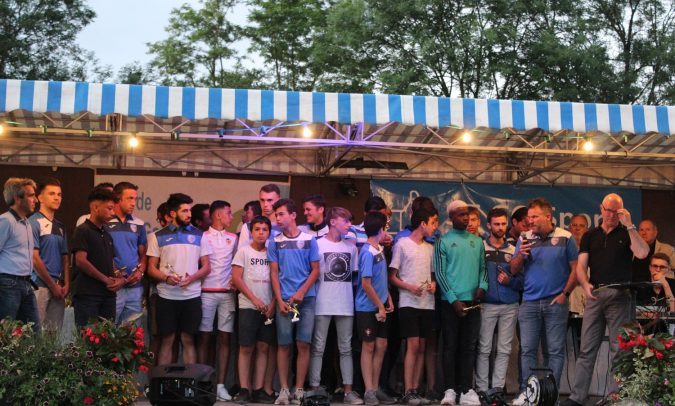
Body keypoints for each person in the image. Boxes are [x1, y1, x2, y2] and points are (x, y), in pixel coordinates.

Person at [561, 194, 649, 406]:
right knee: (587, 348)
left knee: (619, 349)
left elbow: (643, 253)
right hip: (596, 293)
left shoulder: (627, 233)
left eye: (616, 212)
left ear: (622, 212)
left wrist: (630, 225)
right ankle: (577, 397)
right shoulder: (590, 235)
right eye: (608, 210)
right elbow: (581, 266)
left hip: (620, 294)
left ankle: (614, 397)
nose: (611, 215)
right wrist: (585, 284)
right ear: (601, 208)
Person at [510, 198, 578, 405]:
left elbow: (576, 270)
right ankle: (527, 393)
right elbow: (513, 269)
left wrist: (565, 294)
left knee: (554, 351)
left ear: (548, 216)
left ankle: (550, 396)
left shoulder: (566, 237)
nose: (529, 220)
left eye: (534, 216)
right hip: (529, 303)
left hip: (555, 303)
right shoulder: (524, 238)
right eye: (528, 217)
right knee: (527, 350)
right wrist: (521, 255)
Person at [146, 193, 212, 365]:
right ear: (173, 213)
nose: (189, 214)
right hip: (166, 296)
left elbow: (207, 266)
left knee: (188, 339)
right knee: (167, 339)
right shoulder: (156, 236)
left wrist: (192, 278)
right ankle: (163, 381)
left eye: (189, 210)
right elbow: (151, 268)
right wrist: (166, 278)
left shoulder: (200, 235)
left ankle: (190, 381)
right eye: (184, 211)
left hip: (192, 296)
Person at [268, 198, 321, 405]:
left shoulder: (309, 240)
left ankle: (299, 389)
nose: (278, 218)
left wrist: (302, 292)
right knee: (283, 345)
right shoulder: (275, 242)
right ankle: (283, 389)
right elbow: (274, 273)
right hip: (284, 300)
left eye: (281, 214)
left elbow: (316, 270)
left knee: (303, 344)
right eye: (276, 215)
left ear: (293, 215)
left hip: (306, 300)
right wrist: (279, 300)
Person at [434, 200, 487, 406]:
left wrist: (483, 286)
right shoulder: (443, 242)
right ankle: (449, 390)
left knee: (469, 347)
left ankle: (466, 389)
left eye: (467, 214)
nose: (465, 218)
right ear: (451, 218)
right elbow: (440, 273)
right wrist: (453, 299)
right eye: (461, 214)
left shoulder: (477, 242)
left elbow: (483, 269)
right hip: (451, 303)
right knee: (450, 347)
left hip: (473, 302)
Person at [309, 207, 363, 404]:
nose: (349, 224)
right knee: (318, 347)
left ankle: (348, 391)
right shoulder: (317, 244)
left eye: (350, 221)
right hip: (322, 302)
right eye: (346, 220)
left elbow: (354, 277)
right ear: (333, 222)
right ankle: (314, 389)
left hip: (345, 303)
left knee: (346, 348)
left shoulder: (351, 248)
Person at [389, 208, 439, 405]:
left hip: (427, 303)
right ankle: (408, 390)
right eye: (433, 223)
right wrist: (409, 287)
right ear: (423, 223)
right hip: (408, 302)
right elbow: (392, 277)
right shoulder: (402, 244)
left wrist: (433, 285)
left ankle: (416, 390)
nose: (435, 227)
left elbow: (432, 276)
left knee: (422, 345)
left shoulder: (430, 248)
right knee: (413, 344)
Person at [475, 208, 522, 395]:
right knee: (484, 348)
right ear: (488, 225)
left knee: (504, 349)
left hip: (510, 304)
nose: (500, 227)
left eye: (503, 224)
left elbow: (523, 281)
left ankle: (496, 389)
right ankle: (481, 388)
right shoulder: (480, 247)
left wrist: (510, 281)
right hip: (486, 303)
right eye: (496, 224)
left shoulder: (514, 249)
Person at [232, 215, 276, 404]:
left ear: (269, 233)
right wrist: (254, 299)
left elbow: (277, 280)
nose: (261, 233)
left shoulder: (272, 253)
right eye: (257, 229)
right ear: (251, 232)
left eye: (265, 230)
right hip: (248, 305)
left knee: (263, 347)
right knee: (246, 347)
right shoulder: (243, 252)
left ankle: (259, 389)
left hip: (268, 308)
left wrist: (273, 303)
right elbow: (236, 278)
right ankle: (244, 389)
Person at [199, 200, 238, 401]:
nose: (231, 216)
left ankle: (221, 386)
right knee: (204, 338)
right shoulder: (202, 237)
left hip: (227, 294)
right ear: (218, 215)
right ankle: (202, 384)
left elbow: (238, 265)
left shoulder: (234, 238)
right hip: (206, 293)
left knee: (225, 339)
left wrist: (235, 281)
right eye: (228, 213)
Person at [355, 212, 394, 406]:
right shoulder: (367, 252)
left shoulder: (379, 249)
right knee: (368, 346)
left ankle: (376, 387)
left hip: (381, 306)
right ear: (380, 229)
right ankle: (369, 390)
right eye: (385, 227)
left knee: (381, 346)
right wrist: (379, 305)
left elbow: (381, 278)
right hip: (367, 308)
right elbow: (366, 284)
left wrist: (388, 298)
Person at [71, 187, 125, 327]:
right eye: (109, 208)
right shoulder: (83, 230)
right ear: (95, 207)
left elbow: (111, 263)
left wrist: (120, 279)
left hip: (108, 296)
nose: (113, 213)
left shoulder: (106, 234)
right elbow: (80, 261)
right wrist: (105, 279)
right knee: (88, 336)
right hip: (88, 295)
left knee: (107, 337)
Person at [30, 178, 69, 332]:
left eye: (59, 194)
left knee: (54, 336)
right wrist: (52, 285)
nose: (57, 198)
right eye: (52, 194)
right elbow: (34, 258)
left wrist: (66, 284)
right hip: (39, 286)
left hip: (59, 289)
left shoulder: (60, 226)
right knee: (35, 334)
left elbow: (65, 258)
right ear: (40, 197)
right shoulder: (33, 222)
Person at [0, 178, 40, 330]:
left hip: (26, 283)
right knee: (5, 333)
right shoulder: (6, 221)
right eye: (31, 195)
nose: (36, 200)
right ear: (17, 198)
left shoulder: (26, 222)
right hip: (8, 284)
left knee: (34, 333)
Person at [108, 182, 147, 325]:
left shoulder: (139, 224)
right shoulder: (105, 222)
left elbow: (143, 255)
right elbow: (102, 253)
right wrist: (115, 271)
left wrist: (140, 272)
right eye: (130, 198)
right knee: (109, 329)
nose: (133, 203)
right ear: (118, 199)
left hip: (134, 288)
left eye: (135, 199)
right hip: (113, 286)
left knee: (132, 331)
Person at [567, 214, 589, 316]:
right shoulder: (563, 249)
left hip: (587, 300)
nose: (577, 228)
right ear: (569, 228)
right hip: (567, 300)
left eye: (581, 226)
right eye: (574, 225)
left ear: (587, 230)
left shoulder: (592, 250)